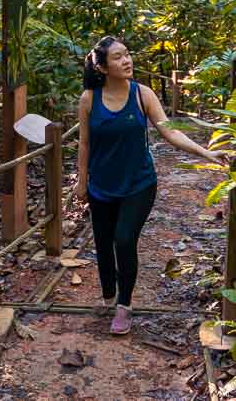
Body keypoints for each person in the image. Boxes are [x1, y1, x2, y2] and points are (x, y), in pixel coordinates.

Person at [75, 35, 226, 335]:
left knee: (124, 240)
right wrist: (82, 182)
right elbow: (84, 143)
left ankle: (124, 305)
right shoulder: (89, 99)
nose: (127, 60)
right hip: (101, 185)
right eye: (118, 57)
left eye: (127, 54)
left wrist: (205, 152)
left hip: (139, 184)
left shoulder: (142, 94)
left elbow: (170, 132)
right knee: (103, 245)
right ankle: (108, 296)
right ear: (103, 67)